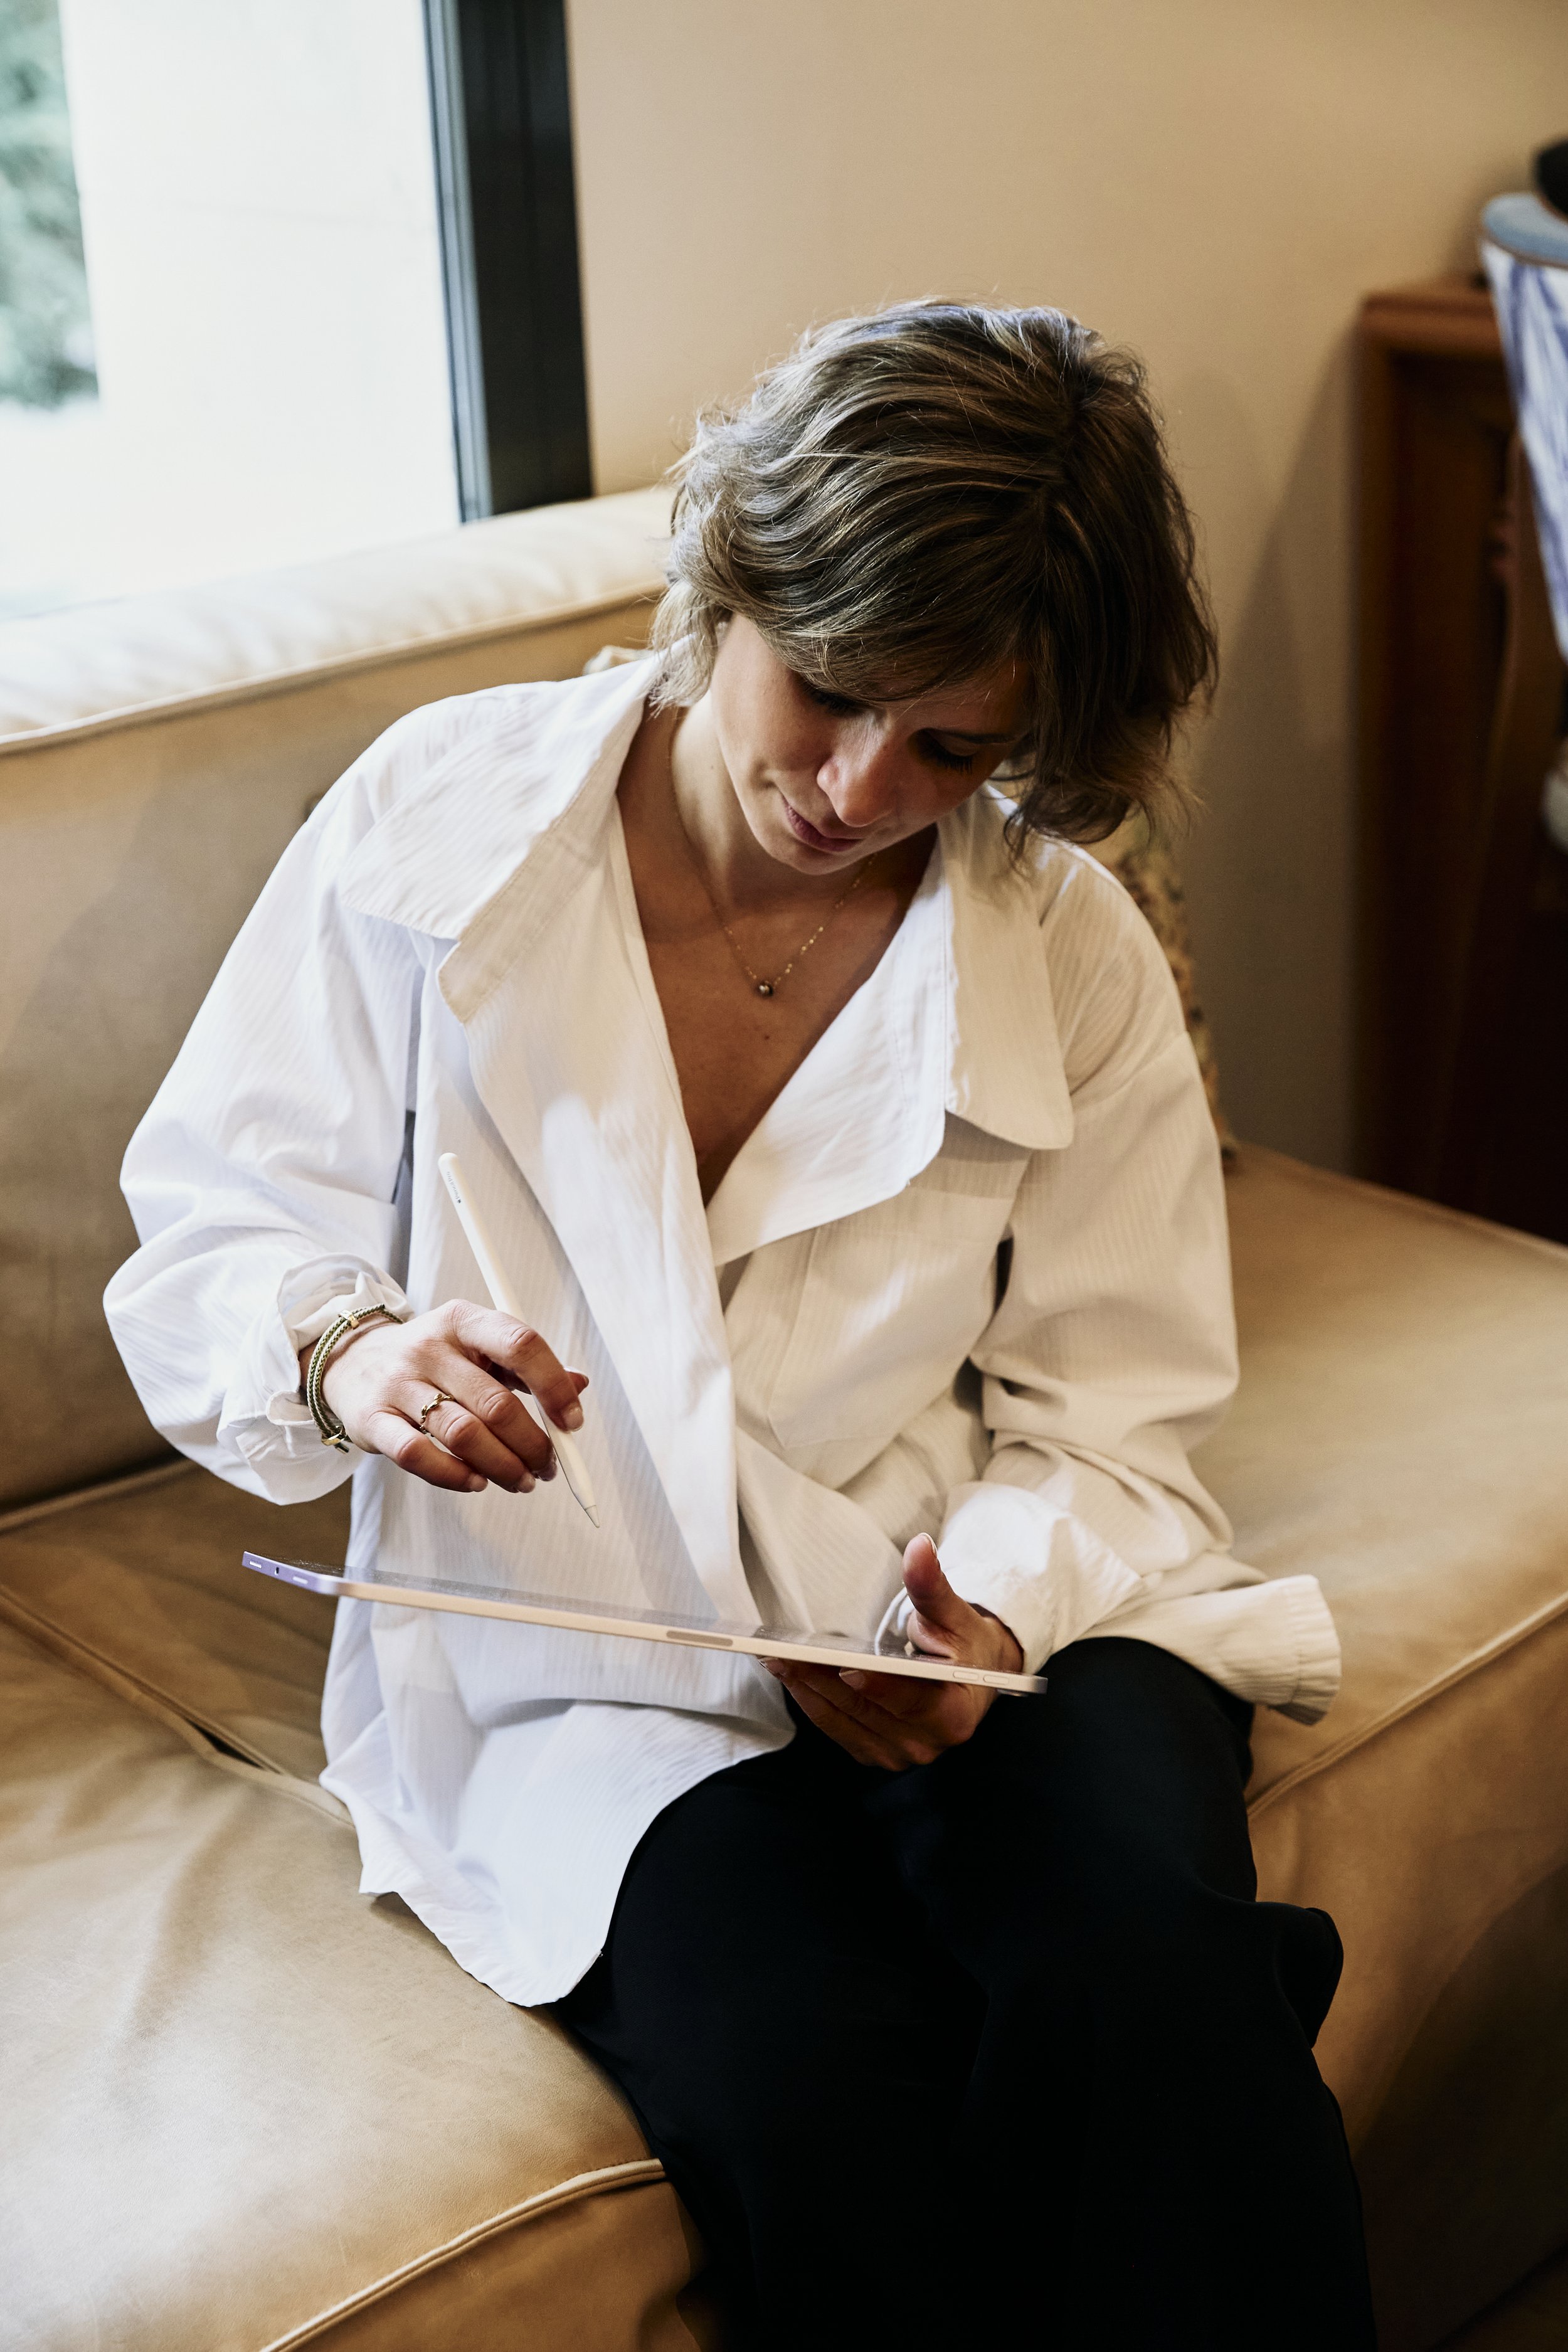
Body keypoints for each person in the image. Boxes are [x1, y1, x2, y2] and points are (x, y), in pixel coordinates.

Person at [106, 301, 1375, 2348]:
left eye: (951, 747)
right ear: (729, 580)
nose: (860, 790)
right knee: (812, 2094)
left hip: (982, 1607)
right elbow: (216, 1227)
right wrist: (352, 1350)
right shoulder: (438, 821)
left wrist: (981, 1621)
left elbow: (1115, 1422)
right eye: (832, 691)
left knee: (1146, 1992)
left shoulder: (1066, 945)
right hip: (581, 1663)